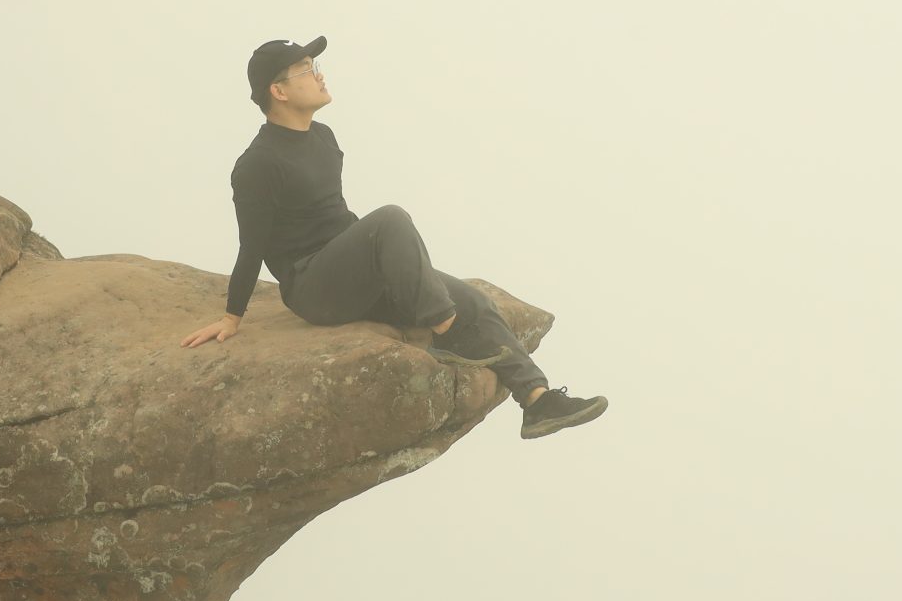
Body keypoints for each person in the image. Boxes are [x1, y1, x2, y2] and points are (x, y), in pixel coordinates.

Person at [181, 36, 608, 440]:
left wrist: (392, 267)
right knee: (391, 219)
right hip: (314, 287)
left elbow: (333, 218)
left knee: (474, 300)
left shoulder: (323, 138)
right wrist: (232, 316)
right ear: (279, 91)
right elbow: (251, 245)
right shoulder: (257, 164)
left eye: (315, 65)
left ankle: (537, 401)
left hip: (354, 272)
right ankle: (448, 331)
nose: (319, 75)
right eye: (307, 69)